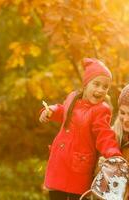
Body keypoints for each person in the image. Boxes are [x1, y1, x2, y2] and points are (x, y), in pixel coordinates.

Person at [39, 58, 122, 200]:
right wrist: (51, 111)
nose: (100, 89)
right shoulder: (73, 98)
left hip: (79, 168)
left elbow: (104, 134)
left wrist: (113, 153)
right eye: (96, 84)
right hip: (59, 163)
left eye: (105, 86)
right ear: (85, 84)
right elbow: (64, 111)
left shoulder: (101, 110)